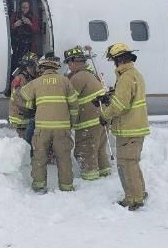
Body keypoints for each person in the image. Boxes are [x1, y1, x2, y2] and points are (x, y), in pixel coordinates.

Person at [98, 43, 150, 211]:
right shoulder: (134, 74)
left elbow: (120, 105)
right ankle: (140, 192)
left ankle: (133, 199)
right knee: (133, 163)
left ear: (118, 60)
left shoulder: (126, 78)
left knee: (126, 164)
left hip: (129, 128)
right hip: (136, 127)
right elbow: (126, 96)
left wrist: (105, 115)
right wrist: (110, 96)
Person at [19, 55, 79, 193]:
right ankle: (66, 186)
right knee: (63, 157)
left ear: (42, 68)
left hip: (42, 128)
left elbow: (23, 95)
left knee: (39, 157)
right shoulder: (65, 81)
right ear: (56, 68)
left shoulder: (36, 82)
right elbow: (74, 104)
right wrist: (72, 122)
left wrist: (30, 106)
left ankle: (39, 185)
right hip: (62, 127)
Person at [63, 45, 111, 181]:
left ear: (74, 62)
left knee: (85, 151)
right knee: (100, 150)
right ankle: (105, 173)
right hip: (101, 120)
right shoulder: (91, 75)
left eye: (69, 63)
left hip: (89, 123)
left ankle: (90, 179)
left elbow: (69, 99)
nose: (68, 66)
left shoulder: (78, 77)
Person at [8, 52, 38, 141]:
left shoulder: (31, 78)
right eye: (34, 66)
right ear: (28, 66)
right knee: (25, 142)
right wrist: (35, 106)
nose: (36, 68)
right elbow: (18, 100)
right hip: (20, 118)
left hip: (27, 116)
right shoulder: (19, 79)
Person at [9, 0, 39, 68]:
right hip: (16, 45)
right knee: (16, 64)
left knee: (29, 65)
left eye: (26, 8)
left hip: (29, 45)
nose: (24, 9)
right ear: (20, 7)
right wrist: (15, 25)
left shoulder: (33, 16)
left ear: (29, 8)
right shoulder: (15, 15)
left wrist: (30, 23)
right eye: (23, 7)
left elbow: (37, 31)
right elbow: (8, 30)